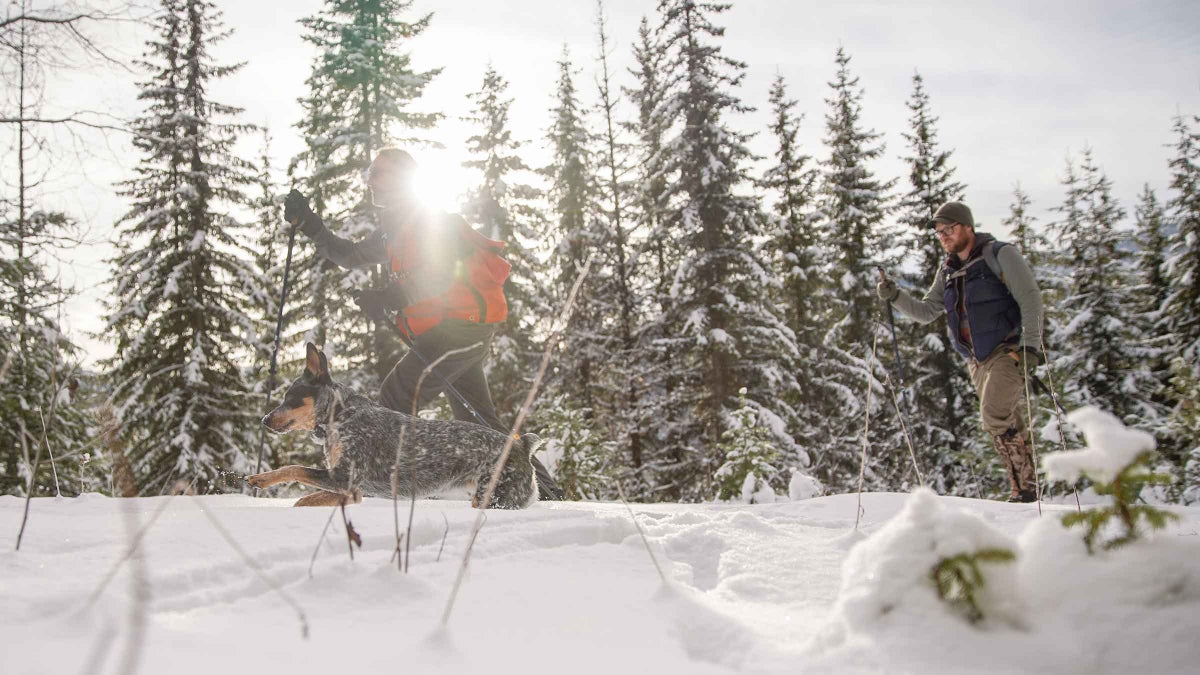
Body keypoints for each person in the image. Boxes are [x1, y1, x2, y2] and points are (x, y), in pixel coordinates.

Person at [283, 147, 564, 501]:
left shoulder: (432, 222)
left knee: (396, 395)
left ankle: (376, 488)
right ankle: (551, 493)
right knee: (479, 422)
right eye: (368, 173)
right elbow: (352, 255)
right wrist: (311, 224)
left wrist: (387, 297)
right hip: (449, 330)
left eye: (378, 173)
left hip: (461, 328)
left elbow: (441, 277)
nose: (370, 180)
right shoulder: (394, 228)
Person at [877, 201, 1045, 503]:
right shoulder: (949, 269)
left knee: (994, 414)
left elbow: (1030, 298)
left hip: (1008, 349)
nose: (944, 236)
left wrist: (1030, 347)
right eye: (939, 232)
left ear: (968, 226)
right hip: (976, 360)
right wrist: (896, 296)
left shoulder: (1000, 254)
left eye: (949, 229)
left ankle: (1024, 489)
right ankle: (1028, 490)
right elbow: (928, 310)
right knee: (1007, 421)